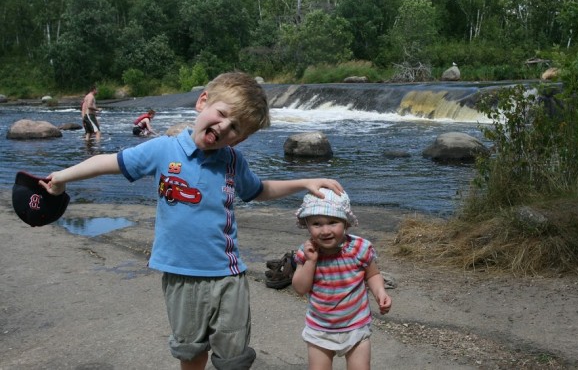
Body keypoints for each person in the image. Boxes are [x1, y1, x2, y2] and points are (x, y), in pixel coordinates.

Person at [39, 72, 344, 370]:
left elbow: (259, 190)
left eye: (235, 128)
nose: (224, 127)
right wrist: (61, 178)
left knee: (233, 359)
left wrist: (304, 182)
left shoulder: (233, 161)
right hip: (180, 275)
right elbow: (109, 162)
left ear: (242, 139)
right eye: (222, 114)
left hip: (228, 276)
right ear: (203, 102)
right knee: (191, 353)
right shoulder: (163, 149)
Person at [292, 188, 392, 370]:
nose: (325, 230)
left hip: (356, 325)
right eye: (316, 224)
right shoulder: (307, 252)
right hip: (320, 328)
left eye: (333, 222)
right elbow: (300, 288)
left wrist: (380, 292)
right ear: (307, 225)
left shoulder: (360, 248)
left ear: (346, 223)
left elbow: (373, 274)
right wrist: (311, 261)